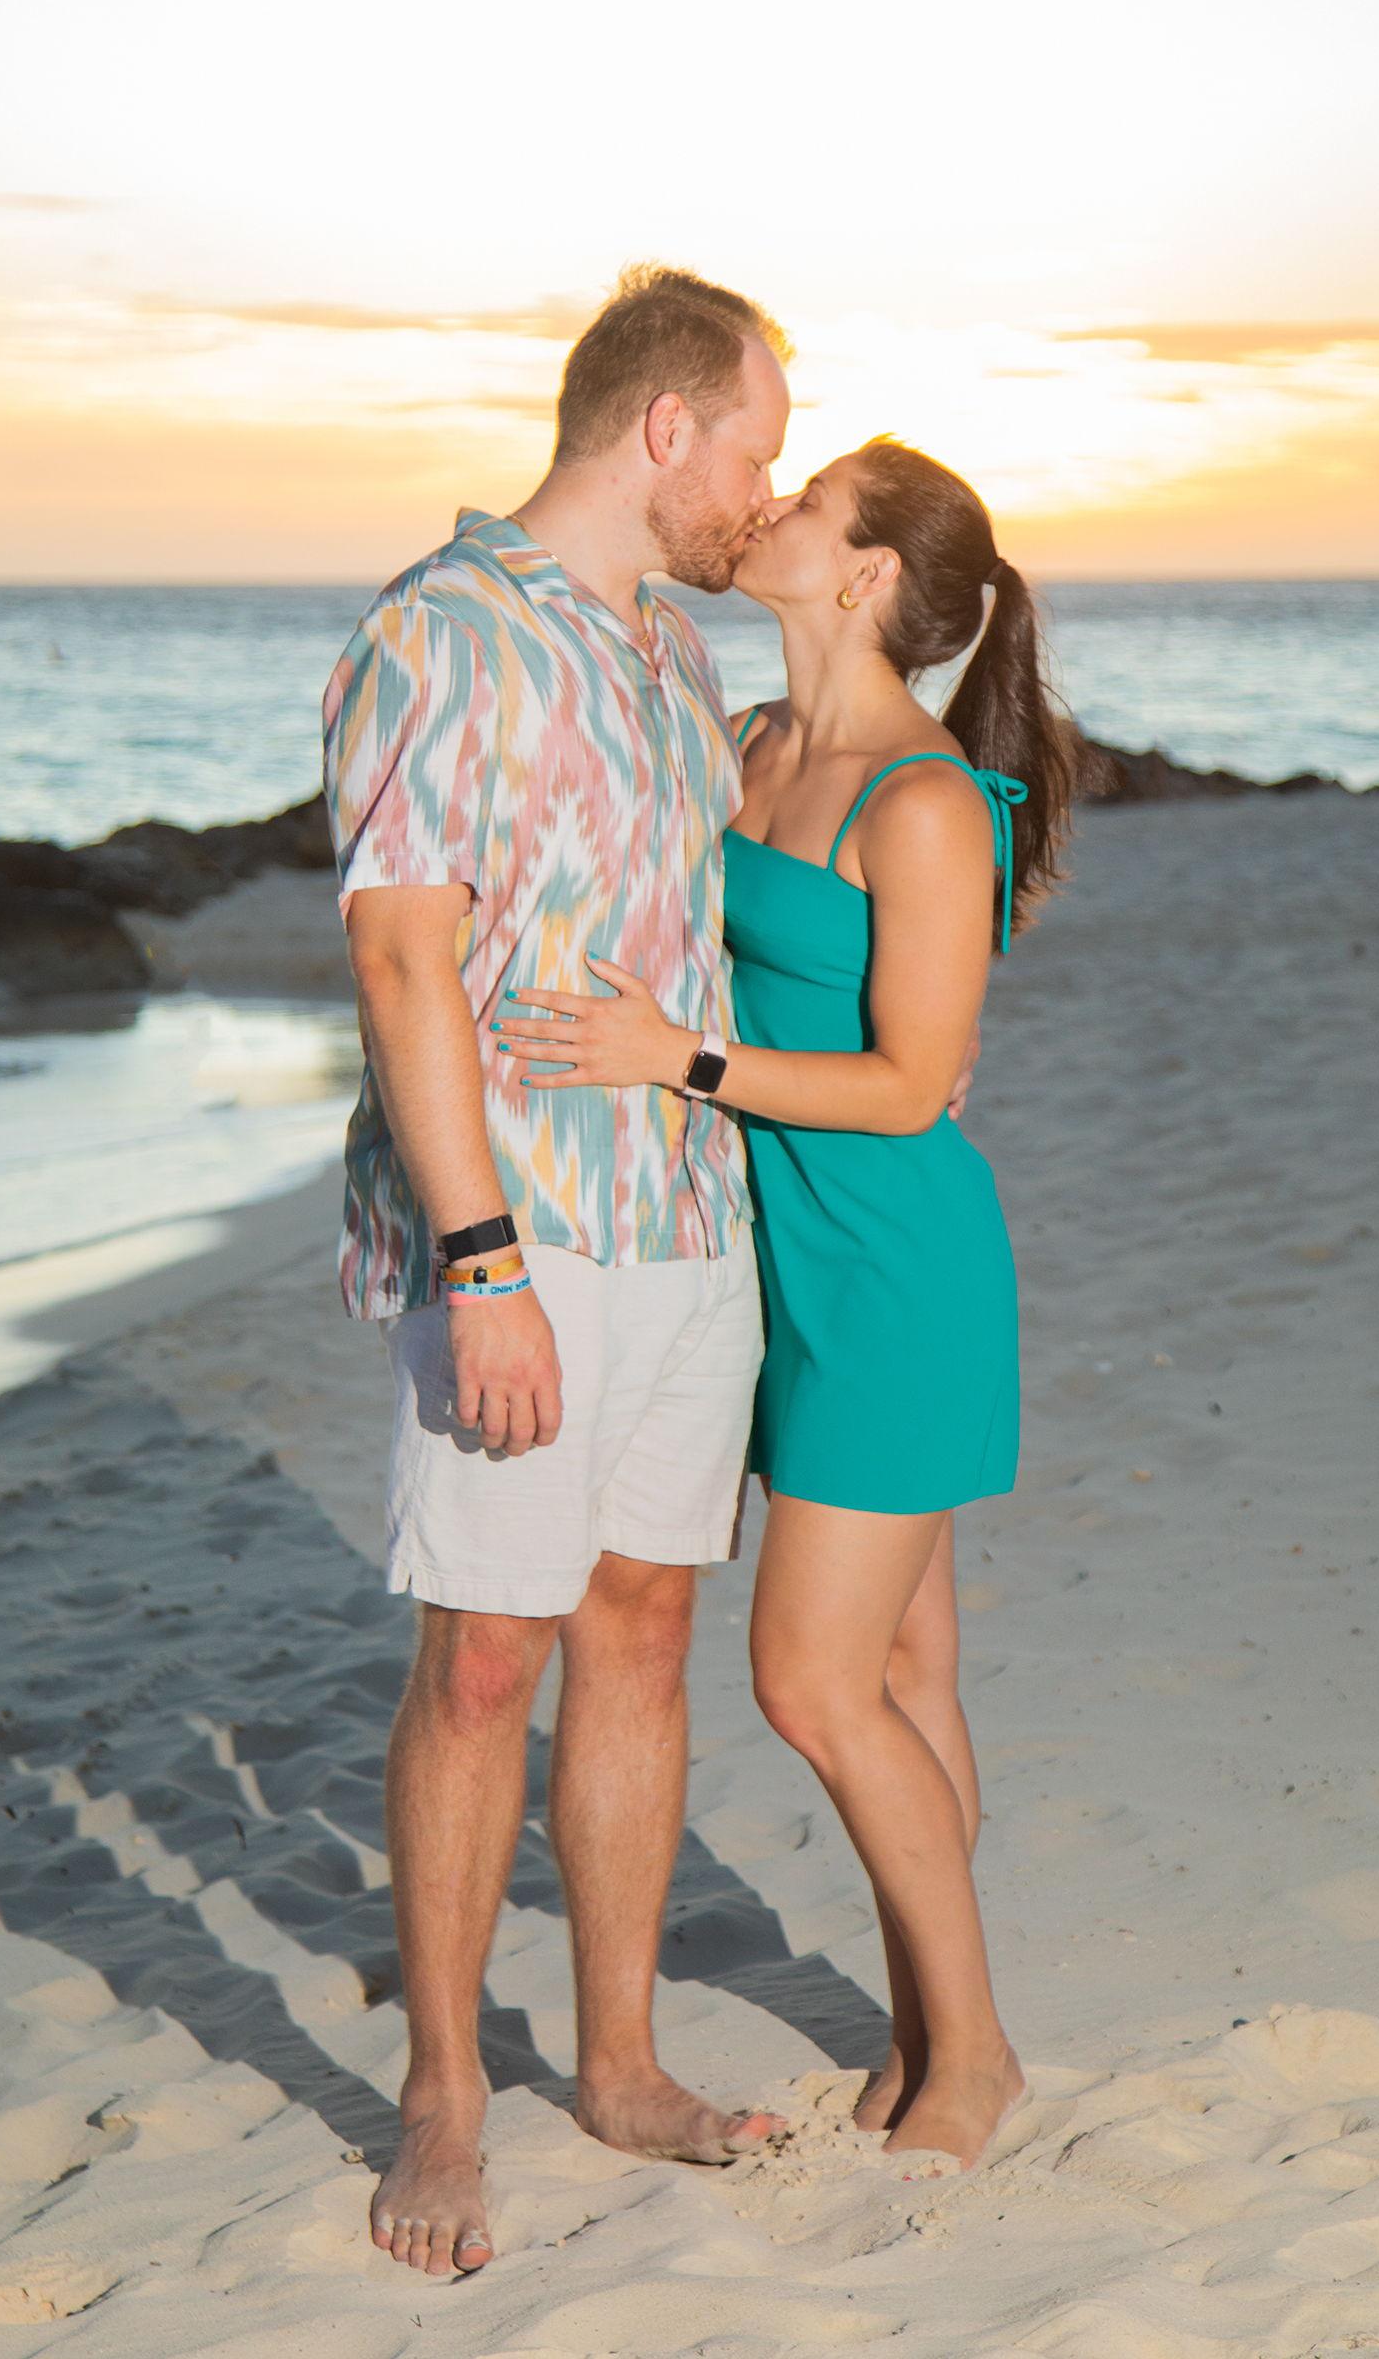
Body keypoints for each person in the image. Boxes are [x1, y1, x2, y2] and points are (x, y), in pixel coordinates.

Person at [496, 436, 1079, 2169]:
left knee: (814, 1684)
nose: (777, 508)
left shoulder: (919, 799)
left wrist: (676, 1059)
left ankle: (971, 2054)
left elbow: (915, 1080)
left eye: (811, 499)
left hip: (894, 1265)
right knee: (909, 1660)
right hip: (768, 1247)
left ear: (867, 573)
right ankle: (924, 2030)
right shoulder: (752, 746)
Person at [321, 266, 793, 2280]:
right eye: (757, 449)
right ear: (663, 428)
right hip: (519, 1225)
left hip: (692, 1219)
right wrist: (482, 1257)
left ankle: (616, 2059)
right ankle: (443, 2090)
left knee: (643, 1633)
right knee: (485, 1653)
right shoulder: (441, 634)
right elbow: (405, 956)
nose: (763, 497)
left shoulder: (672, 655)